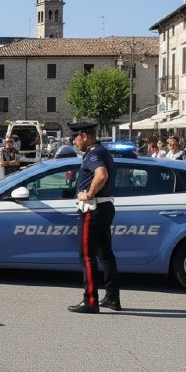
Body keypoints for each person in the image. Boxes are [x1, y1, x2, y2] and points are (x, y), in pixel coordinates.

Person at [66, 121, 120, 314]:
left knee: (87, 256)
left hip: (93, 210)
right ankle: (112, 297)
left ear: (84, 136)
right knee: (105, 255)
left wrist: (88, 194)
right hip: (105, 208)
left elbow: (101, 174)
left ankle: (90, 300)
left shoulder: (94, 153)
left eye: (75, 137)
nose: (74, 140)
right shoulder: (102, 151)